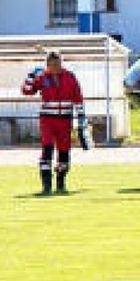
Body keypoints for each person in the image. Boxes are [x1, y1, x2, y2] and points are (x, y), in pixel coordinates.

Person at [21, 50, 85, 195]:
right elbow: (27, 91)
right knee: (47, 149)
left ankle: (61, 184)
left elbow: (78, 97)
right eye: (52, 64)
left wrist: (81, 117)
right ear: (47, 65)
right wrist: (30, 76)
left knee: (63, 153)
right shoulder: (42, 77)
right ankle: (46, 186)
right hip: (47, 120)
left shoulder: (70, 76)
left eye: (58, 63)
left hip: (65, 120)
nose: (56, 67)